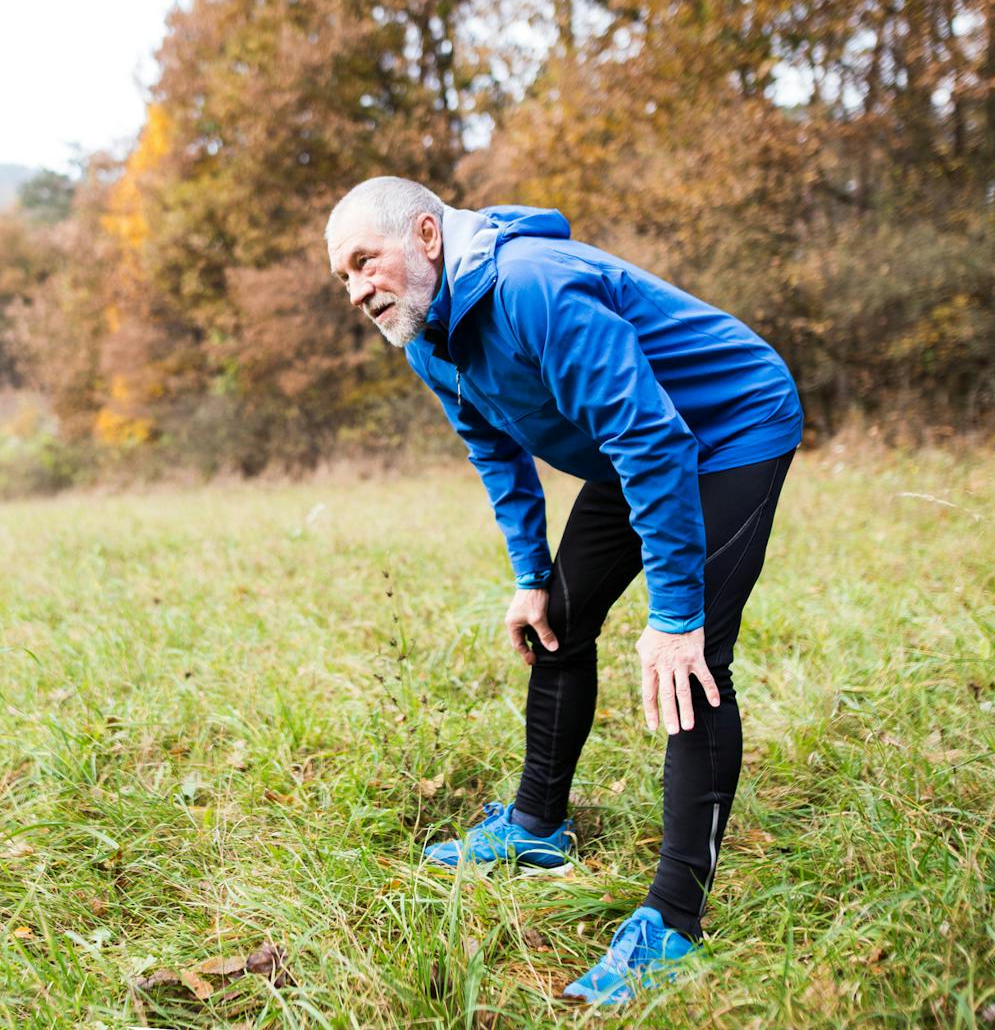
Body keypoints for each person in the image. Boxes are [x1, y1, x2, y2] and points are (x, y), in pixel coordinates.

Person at [325, 176, 803, 1006]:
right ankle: (539, 825)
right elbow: (496, 454)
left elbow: (652, 436)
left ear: (428, 237)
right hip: (634, 444)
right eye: (344, 278)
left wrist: (676, 613)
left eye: (367, 262)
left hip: (728, 428)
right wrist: (528, 577)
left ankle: (674, 920)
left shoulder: (534, 287)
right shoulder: (427, 336)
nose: (359, 291)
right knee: (559, 620)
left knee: (692, 663)